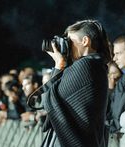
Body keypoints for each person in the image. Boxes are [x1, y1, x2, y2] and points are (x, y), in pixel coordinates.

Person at [41, 19, 111, 147]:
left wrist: (58, 65)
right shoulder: (97, 65)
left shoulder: (86, 65)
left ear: (85, 41)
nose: (67, 46)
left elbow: (45, 99)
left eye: (69, 41)